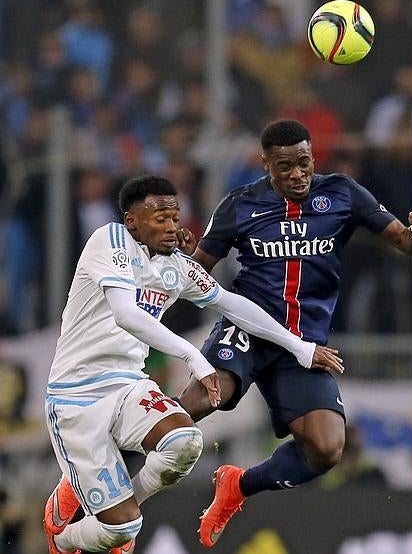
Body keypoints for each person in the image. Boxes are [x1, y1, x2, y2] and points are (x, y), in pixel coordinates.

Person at [176, 119, 412, 548]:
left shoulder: (341, 193)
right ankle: (118, 466)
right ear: (265, 164)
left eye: (303, 162)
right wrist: (175, 261)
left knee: (326, 449)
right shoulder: (239, 205)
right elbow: (198, 272)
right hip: (249, 330)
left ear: (313, 158)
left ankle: (238, 486)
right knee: (206, 397)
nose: (296, 174)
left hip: (304, 348)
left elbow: (405, 242)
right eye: (284, 165)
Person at [43, 174, 343, 554]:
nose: (171, 227)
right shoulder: (110, 240)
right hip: (77, 397)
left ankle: (99, 517)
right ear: (131, 220)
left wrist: (298, 346)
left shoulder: (175, 267)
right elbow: (126, 315)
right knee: (121, 532)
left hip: (128, 386)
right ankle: (66, 537)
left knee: (185, 442)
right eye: (159, 218)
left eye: (175, 217)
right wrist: (195, 358)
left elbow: (233, 305)